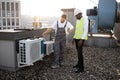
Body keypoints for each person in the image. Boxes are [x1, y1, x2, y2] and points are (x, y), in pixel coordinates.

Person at [72, 9, 88, 73]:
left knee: (80, 53)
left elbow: (86, 30)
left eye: (76, 15)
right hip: (76, 38)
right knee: (78, 53)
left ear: (80, 14)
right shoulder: (77, 20)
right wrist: (73, 38)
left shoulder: (85, 20)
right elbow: (77, 30)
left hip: (81, 39)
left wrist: (81, 39)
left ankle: (81, 68)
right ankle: (78, 64)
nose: (76, 16)